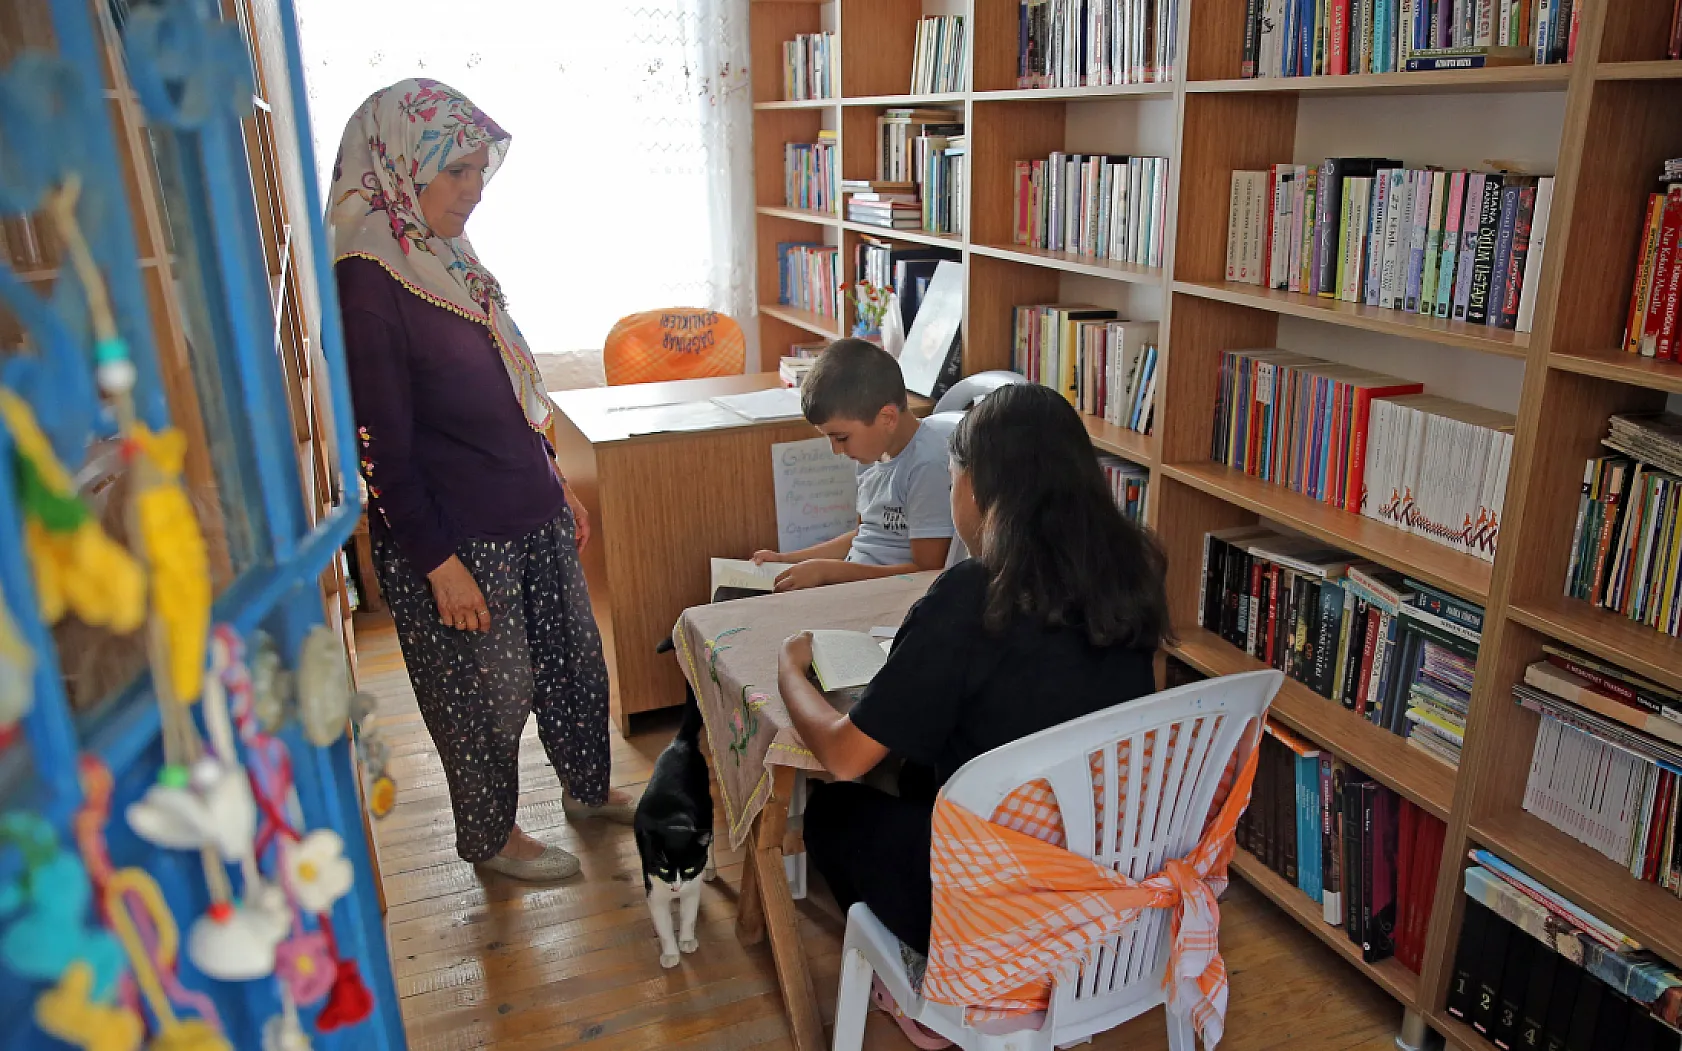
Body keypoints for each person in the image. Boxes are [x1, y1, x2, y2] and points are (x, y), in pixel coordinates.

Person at [330, 79, 631, 882]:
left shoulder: (445, 255)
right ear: (401, 165)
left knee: (574, 663)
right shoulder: (369, 280)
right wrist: (437, 562)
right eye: (455, 170)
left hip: (527, 505)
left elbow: (508, 388)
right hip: (459, 536)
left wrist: (554, 477)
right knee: (485, 701)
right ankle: (493, 840)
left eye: (478, 170)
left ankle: (588, 788)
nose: (474, 189)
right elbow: (380, 447)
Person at [780, 383, 1171, 956]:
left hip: (997, 895)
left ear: (980, 489)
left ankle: (930, 984)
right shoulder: (1133, 571)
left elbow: (843, 757)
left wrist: (793, 666)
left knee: (835, 810)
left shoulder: (975, 593)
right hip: (1101, 859)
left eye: (951, 481)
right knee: (913, 774)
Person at [752, 339, 953, 591]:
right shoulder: (872, 456)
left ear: (887, 418)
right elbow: (864, 536)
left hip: (891, 597)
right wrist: (787, 560)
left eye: (841, 438)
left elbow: (928, 572)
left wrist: (828, 572)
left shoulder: (927, 464)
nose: (836, 450)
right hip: (853, 587)